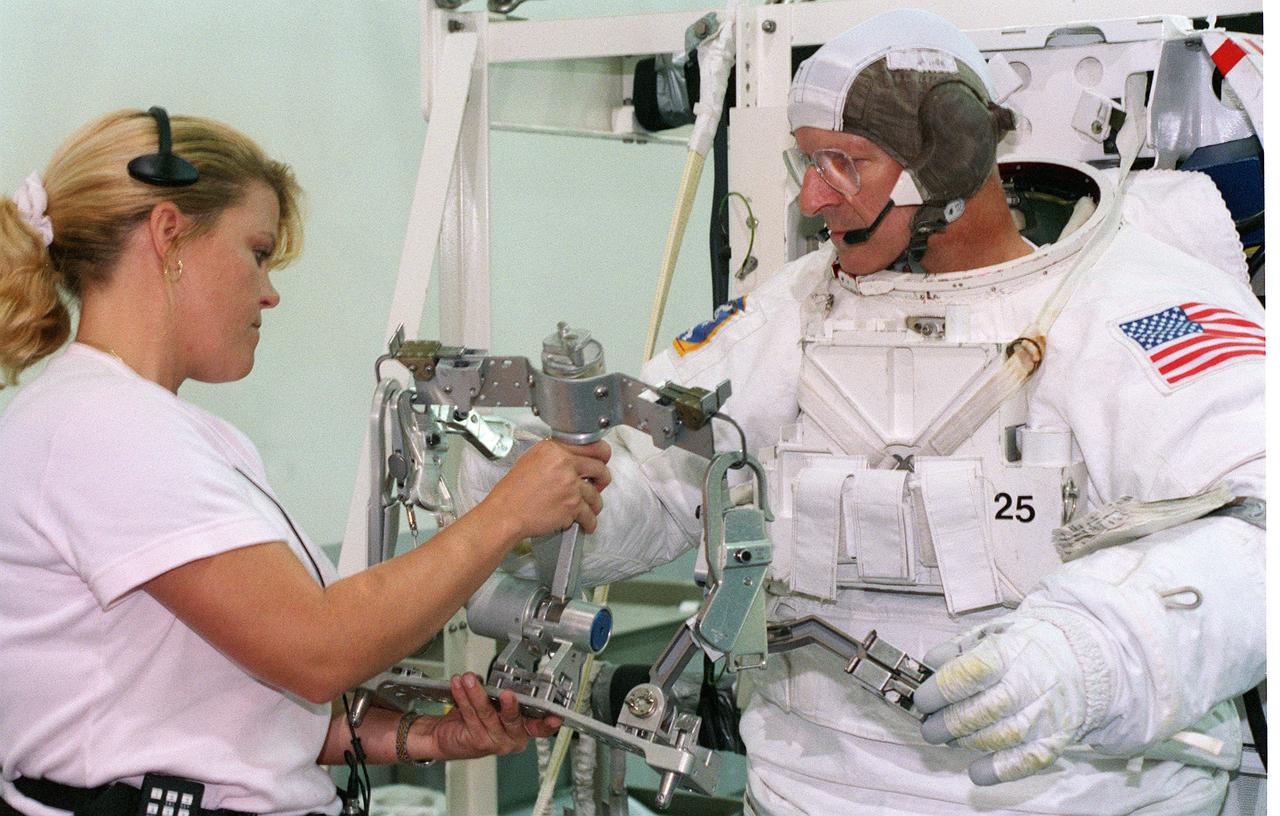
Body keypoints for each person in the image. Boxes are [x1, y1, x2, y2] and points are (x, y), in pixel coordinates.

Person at [459, 9, 1264, 815]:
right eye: (807, 163)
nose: (813, 198)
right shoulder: (784, 319)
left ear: (946, 155)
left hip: (1079, 793)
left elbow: (1258, 530)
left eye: (844, 163)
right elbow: (662, 490)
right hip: (810, 793)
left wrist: (1092, 656)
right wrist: (531, 495)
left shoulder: (1138, 307)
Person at [0, 107, 615, 816]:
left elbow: (232, 707)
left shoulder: (167, 432)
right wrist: (506, 513)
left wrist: (429, 736)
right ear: (169, 234)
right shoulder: (100, 428)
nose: (269, 291)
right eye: (256, 252)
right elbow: (317, 649)